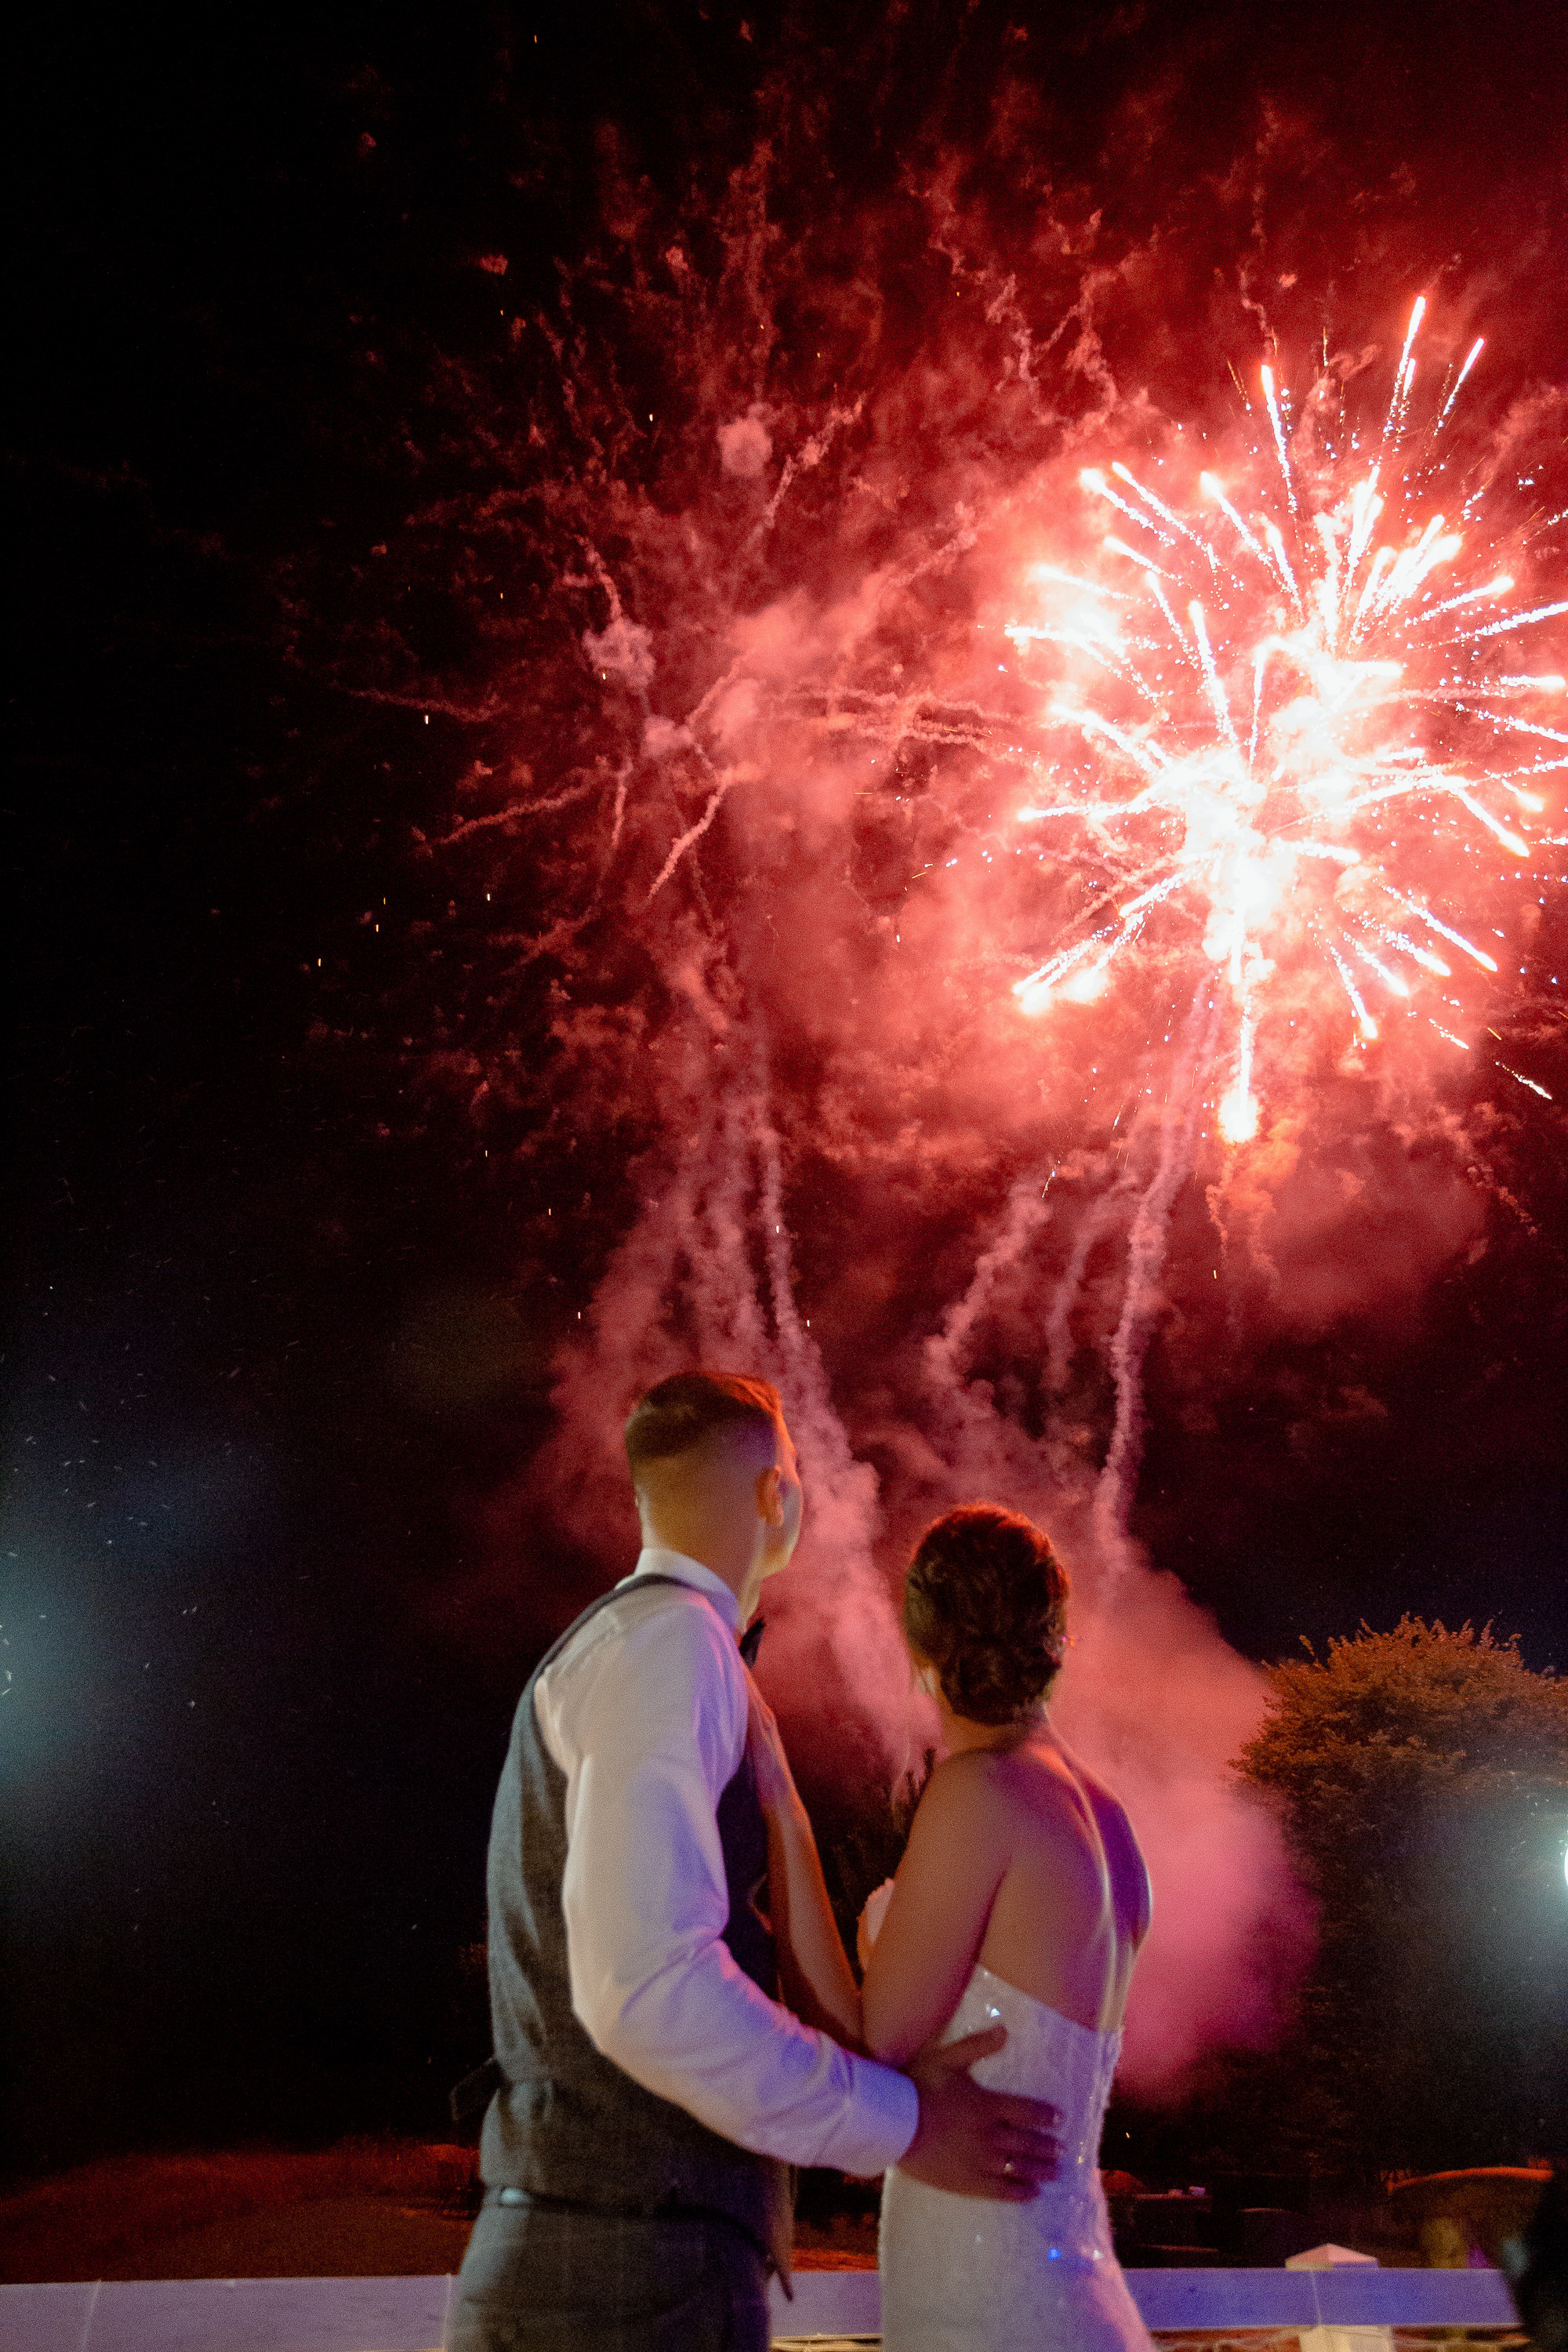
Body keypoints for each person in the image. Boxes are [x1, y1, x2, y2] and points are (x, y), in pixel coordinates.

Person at [451, 1374, 1062, 2352]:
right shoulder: (671, 1649)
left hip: (614, 2262)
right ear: (775, 1495)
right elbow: (646, 1988)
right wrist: (901, 2125)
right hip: (631, 2278)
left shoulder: (649, 1645)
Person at [750, 1500, 1154, 2352]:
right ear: (1054, 1634)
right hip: (1073, 2291)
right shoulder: (1107, 1818)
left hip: (990, 2299)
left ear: (919, 1644)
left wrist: (780, 1805)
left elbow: (863, 2051)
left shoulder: (979, 1792)